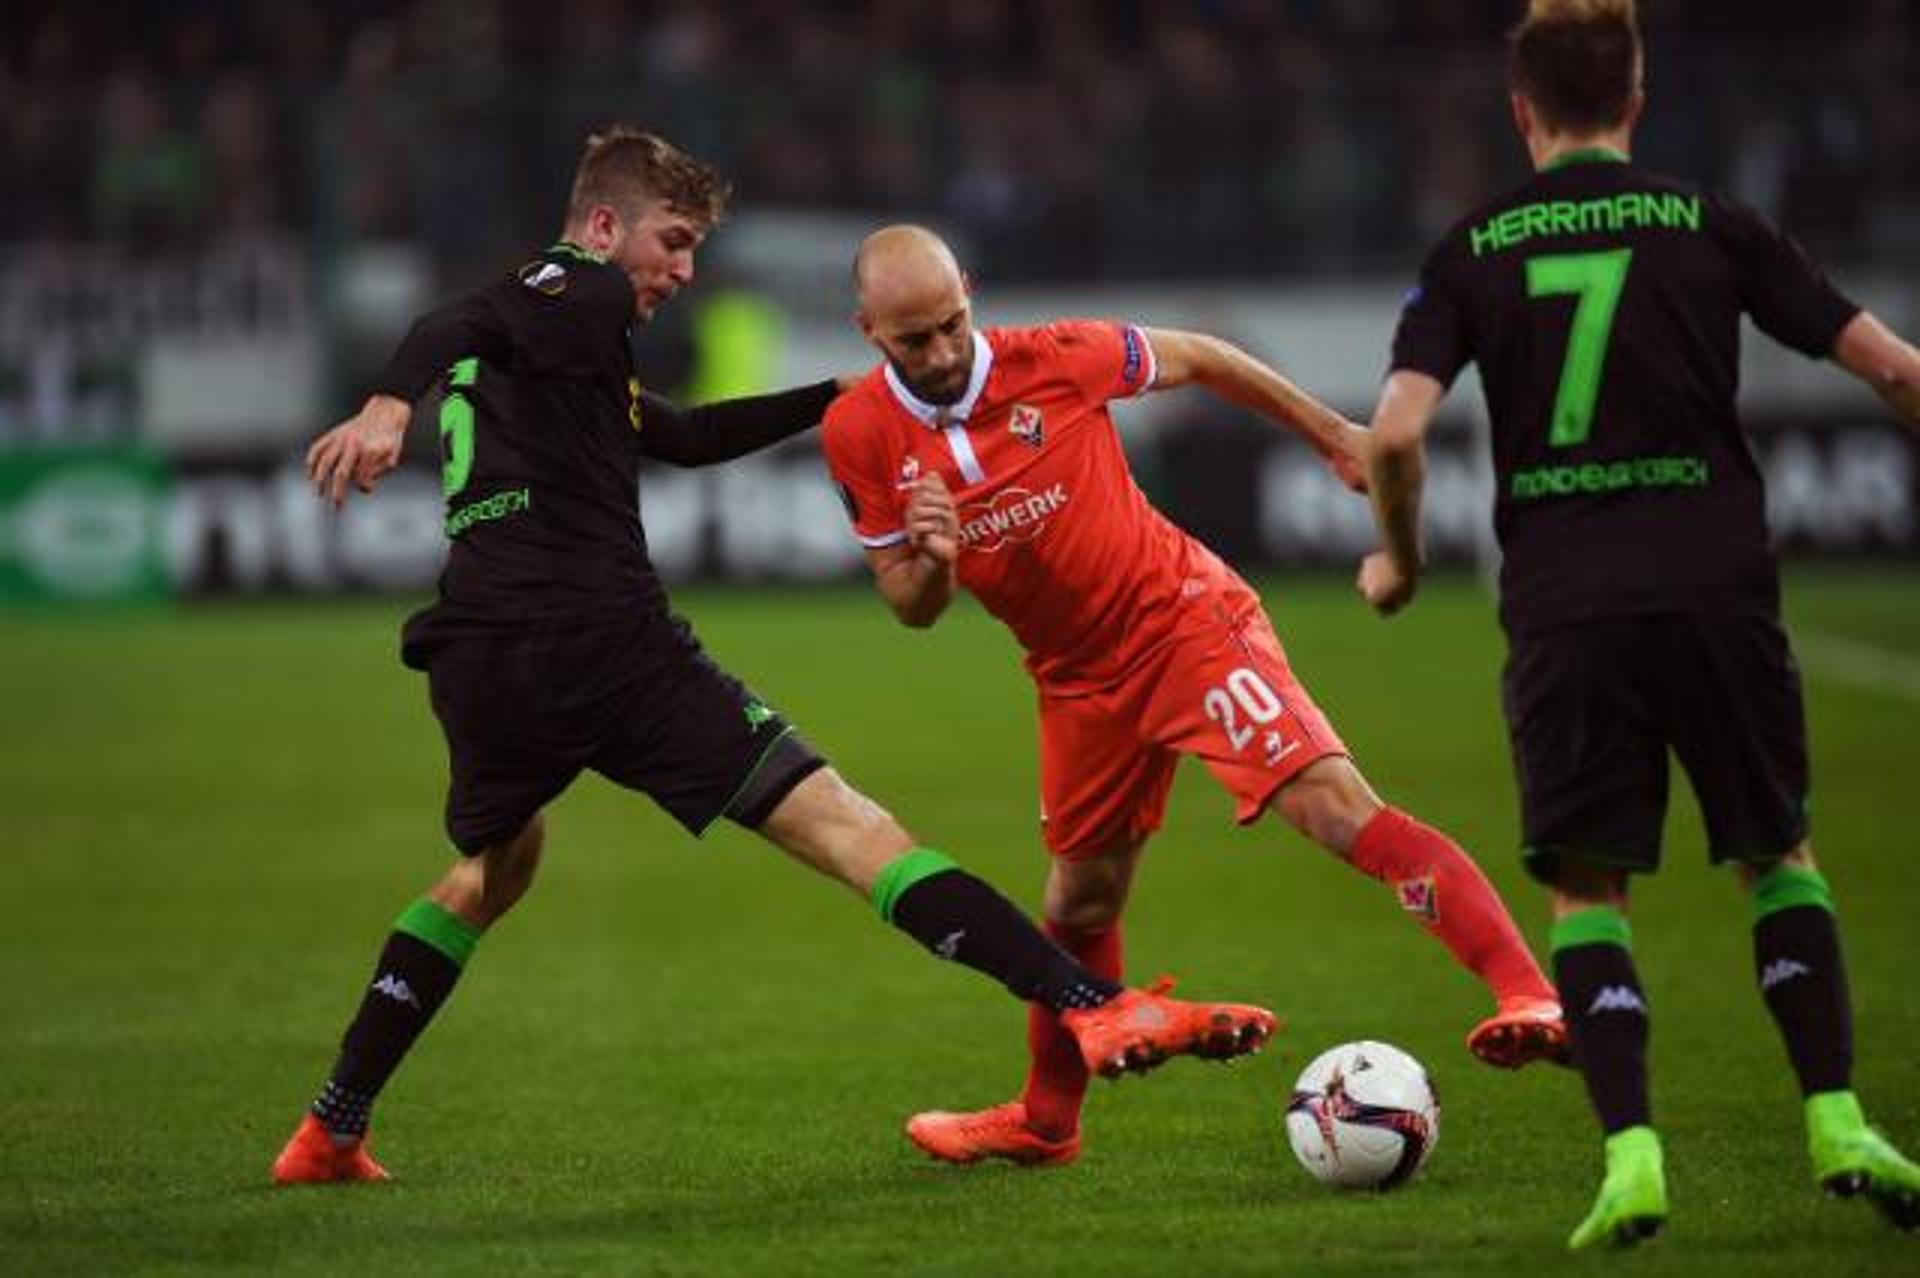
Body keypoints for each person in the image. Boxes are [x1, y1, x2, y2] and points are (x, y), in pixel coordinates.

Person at [272, 127, 1278, 1186]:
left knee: (492, 869)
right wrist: (388, 403)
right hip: (602, 646)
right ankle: (1100, 1008)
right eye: (672, 241)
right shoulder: (579, 288)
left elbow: (680, 434)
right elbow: (454, 315)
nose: (683, 270)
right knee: (854, 831)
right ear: (605, 226)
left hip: (480, 654)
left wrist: (841, 395)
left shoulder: (550, 347)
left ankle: (331, 1128)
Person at [819, 224, 1569, 1172]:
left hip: (1184, 626)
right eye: (912, 340)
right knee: (1082, 893)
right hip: (1073, 678)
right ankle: (1048, 1122)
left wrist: (1333, 433)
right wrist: (932, 559)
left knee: (1336, 810)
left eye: (950, 325)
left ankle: (1527, 994)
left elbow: (1202, 357)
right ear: (867, 332)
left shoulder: (1059, 357)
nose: (939, 352)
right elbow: (912, 608)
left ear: (969, 293)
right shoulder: (857, 434)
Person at [1357, 0, 1920, 1249]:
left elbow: (1394, 431)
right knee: (1777, 857)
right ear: (1637, 95)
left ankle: (1631, 1158)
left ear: (1522, 109)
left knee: (1588, 889)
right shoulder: (1711, 222)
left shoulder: (1473, 248)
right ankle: (1836, 1118)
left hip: (1568, 607)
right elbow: (1895, 371)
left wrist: (1398, 559)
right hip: (1720, 588)